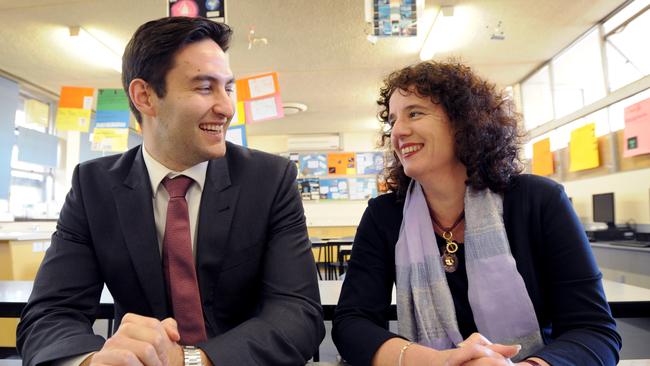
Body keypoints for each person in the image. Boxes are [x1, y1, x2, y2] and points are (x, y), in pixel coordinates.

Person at [17, 16, 324, 366]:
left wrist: (192, 360)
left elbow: (297, 314)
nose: (226, 107)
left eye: (228, 88)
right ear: (145, 96)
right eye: (205, 88)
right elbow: (50, 314)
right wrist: (92, 361)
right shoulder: (93, 186)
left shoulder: (269, 179)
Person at [332, 60, 621, 366]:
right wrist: (438, 362)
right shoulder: (384, 215)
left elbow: (594, 331)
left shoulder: (539, 201)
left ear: (463, 121)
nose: (399, 131)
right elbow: (352, 323)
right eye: (392, 121)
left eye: (414, 113)